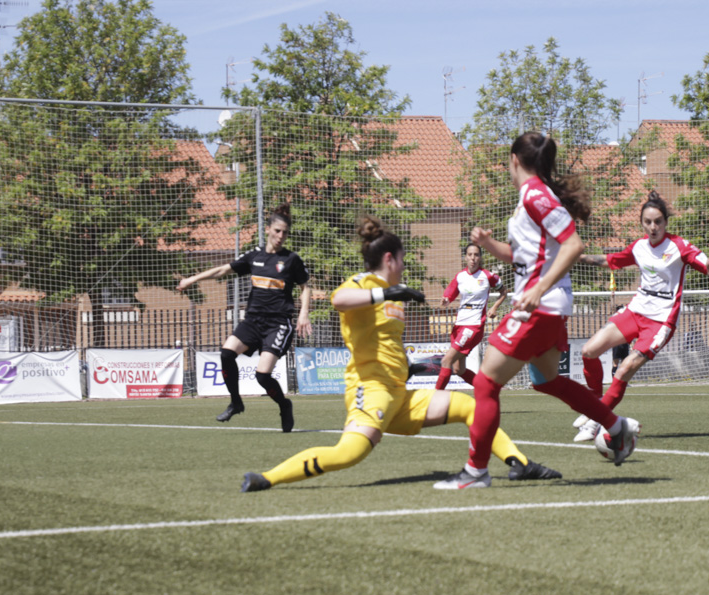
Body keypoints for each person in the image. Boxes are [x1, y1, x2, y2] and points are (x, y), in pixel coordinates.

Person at [241, 216, 562, 492]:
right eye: (403, 260)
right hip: (370, 391)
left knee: (470, 406)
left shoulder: (395, 298)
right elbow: (339, 300)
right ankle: (266, 478)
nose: (404, 266)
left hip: (399, 393)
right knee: (349, 453)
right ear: (391, 259)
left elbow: (385, 342)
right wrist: (386, 291)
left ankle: (519, 464)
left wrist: (407, 365)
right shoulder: (363, 283)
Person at [435, 131, 641, 490]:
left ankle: (475, 472)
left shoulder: (535, 195)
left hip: (539, 307)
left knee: (485, 383)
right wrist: (489, 245)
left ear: (515, 159)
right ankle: (615, 425)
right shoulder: (528, 198)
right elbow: (524, 258)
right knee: (546, 381)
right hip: (548, 307)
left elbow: (573, 245)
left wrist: (538, 290)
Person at [571, 191, 709, 441]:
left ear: (666, 223)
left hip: (661, 321)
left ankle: (597, 422)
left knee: (625, 367)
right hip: (635, 311)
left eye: (658, 221)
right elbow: (610, 260)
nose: (653, 227)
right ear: (642, 223)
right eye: (648, 222)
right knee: (588, 351)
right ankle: (595, 403)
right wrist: (577, 258)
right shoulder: (639, 247)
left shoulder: (679, 246)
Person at [177, 203, 311, 432]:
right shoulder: (254, 256)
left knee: (262, 375)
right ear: (268, 229)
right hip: (253, 321)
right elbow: (222, 270)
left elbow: (305, 287)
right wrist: (192, 279)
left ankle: (284, 404)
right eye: (277, 231)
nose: (281, 236)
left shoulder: (291, 260)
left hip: (278, 324)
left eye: (285, 232)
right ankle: (236, 402)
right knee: (227, 353)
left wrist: (303, 314)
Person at [435, 243, 507, 390]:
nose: (473, 258)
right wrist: (446, 299)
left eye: (476, 255)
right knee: (458, 370)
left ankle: (434, 399)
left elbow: (504, 292)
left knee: (446, 360)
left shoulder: (487, 276)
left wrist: (494, 307)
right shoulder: (460, 276)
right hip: (459, 326)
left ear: (480, 257)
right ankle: (488, 389)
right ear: (465, 257)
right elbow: (450, 293)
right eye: (470, 255)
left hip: (473, 326)